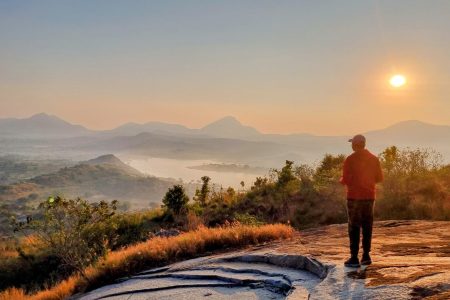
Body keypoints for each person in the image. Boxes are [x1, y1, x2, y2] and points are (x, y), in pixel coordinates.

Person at [340, 134, 383, 267]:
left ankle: (354, 258)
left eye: (352, 143)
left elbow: (346, 179)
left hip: (353, 197)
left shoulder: (350, 159)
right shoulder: (374, 159)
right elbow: (379, 178)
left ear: (355, 145)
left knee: (353, 226)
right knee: (367, 225)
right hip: (369, 197)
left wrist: (342, 181)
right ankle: (366, 256)